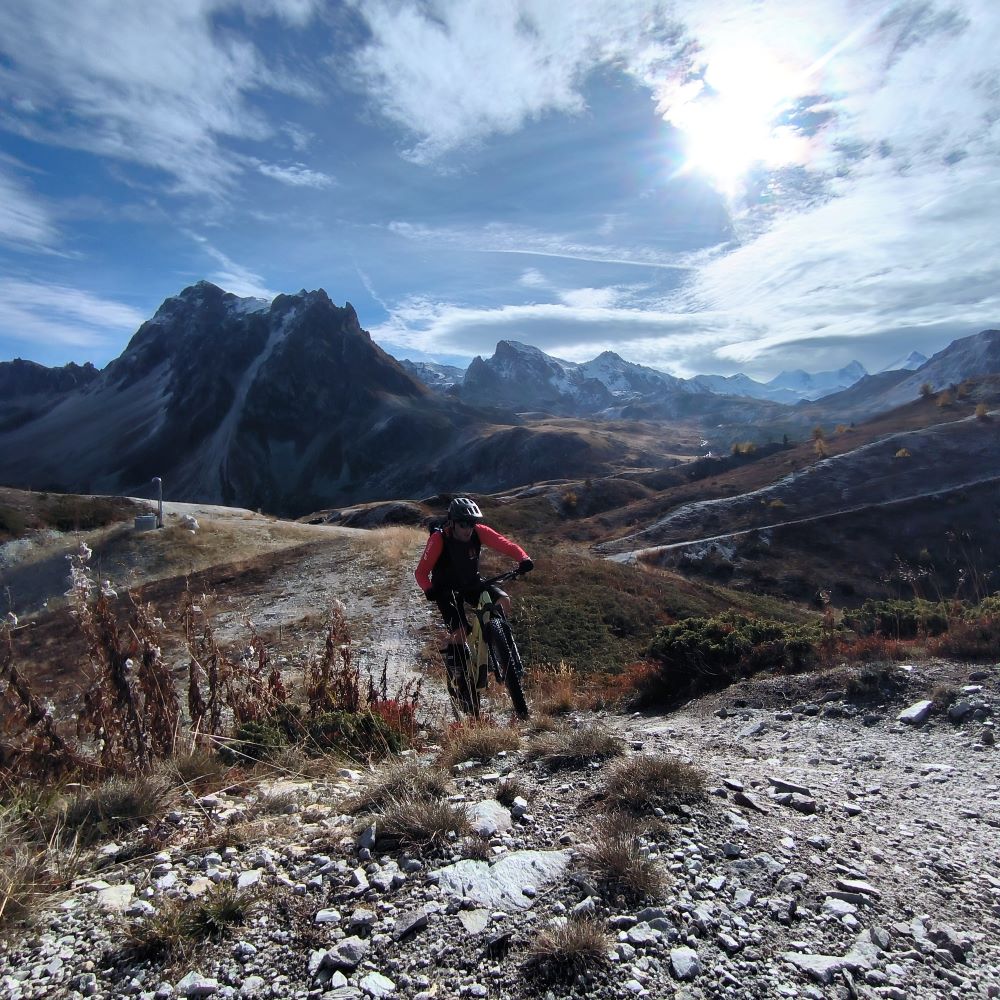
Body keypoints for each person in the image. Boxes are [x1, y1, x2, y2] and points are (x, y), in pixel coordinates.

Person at [415, 497, 533, 686]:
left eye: (472, 523)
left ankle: (501, 647)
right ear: (452, 523)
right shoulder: (439, 539)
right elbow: (421, 573)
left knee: (503, 601)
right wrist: (429, 589)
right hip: (445, 590)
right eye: (463, 524)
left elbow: (505, 544)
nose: (468, 528)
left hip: (471, 583)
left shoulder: (479, 533)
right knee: (460, 631)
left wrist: (523, 558)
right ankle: (456, 670)